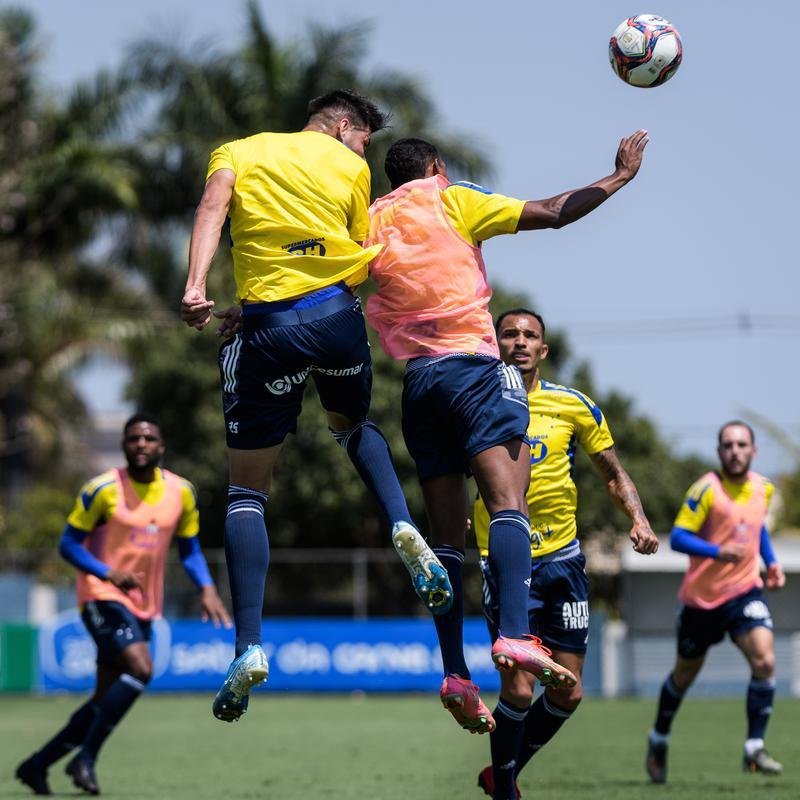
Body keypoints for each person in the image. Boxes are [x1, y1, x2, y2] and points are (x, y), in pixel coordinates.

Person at [364, 132, 649, 739]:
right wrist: (618, 177)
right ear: (436, 168)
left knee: (447, 539)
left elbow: (324, 283)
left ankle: (454, 675)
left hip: (417, 384)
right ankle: (516, 637)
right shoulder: (451, 197)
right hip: (470, 366)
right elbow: (551, 213)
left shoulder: (371, 221)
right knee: (505, 504)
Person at [180, 90, 451, 724]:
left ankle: (248, 646)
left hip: (267, 329)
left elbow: (212, 205)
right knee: (352, 423)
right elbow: (353, 255)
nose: (365, 153)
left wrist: (197, 287)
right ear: (341, 124)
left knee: (248, 491)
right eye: (362, 139)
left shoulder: (238, 152)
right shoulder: (350, 168)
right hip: (334, 317)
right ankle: (400, 523)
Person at [471, 309, 659, 800]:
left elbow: (613, 473)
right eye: (509, 334)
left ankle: (502, 773)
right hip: (505, 561)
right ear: (495, 343)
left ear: (544, 350)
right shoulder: (474, 403)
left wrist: (638, 519)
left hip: (564, 561)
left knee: (568, 692)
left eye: (529, 335)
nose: (519, 342)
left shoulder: (574, 406)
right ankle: (507, 788)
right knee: (516, 689)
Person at [15, 414, 230, 797]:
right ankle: (86, 759)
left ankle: (36, 766)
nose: (141, 444)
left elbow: (190, 547)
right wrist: (107, 572)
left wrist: (207, 588)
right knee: (141, 667)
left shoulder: (181, 492)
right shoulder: (102, 489)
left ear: (161, 447)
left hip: (144, 604)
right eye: (134, 439)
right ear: (124, 446)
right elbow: (68, 544)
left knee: (103, 699)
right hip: (102, 596)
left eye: (149, 438)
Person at [646, 420, 786, 783]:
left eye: (742, 445)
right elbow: (677, 537)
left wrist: (770, 563)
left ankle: (754, 747)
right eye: (728, 445)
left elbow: (758, 529)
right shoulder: (706, 489)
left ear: (753, 451)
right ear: (719, 451)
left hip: (744, 593)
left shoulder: (763, 489)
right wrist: (717, 551)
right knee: (683, 675)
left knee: (766, 659)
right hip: (701, 601)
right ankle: (659, 737)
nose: (735, 451)